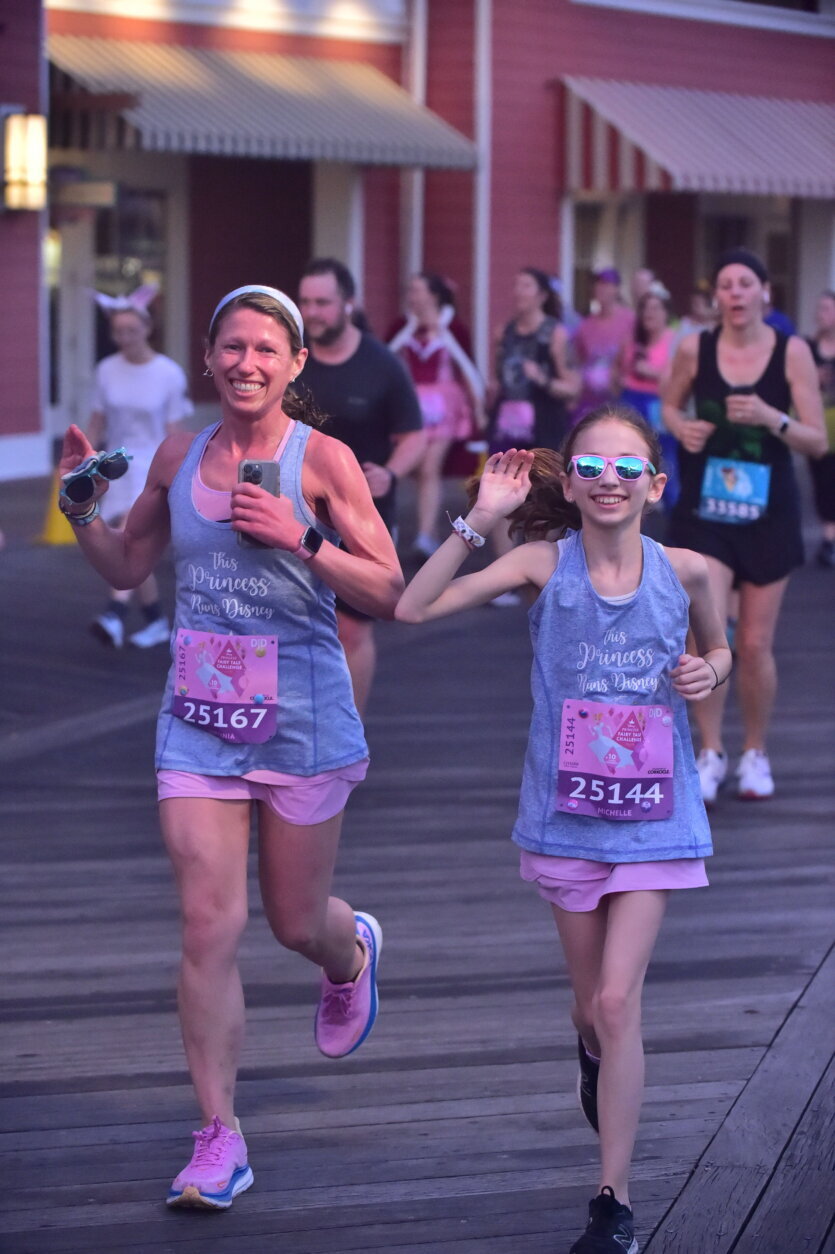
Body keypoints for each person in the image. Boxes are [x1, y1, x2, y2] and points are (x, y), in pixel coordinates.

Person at [56, 284, 403, 1209]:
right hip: (198, 721)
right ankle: (219, 1137)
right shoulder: (178, 454)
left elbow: (389, 589)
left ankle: (348, 951)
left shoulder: (322, 459)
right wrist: (82, 508)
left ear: (294, 365)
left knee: (295, 923)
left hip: (302, 722)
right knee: (208, 923)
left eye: (266, 349)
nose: (247, 362)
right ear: (208, 359)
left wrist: (303, 536)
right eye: (232, 347)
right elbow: (128, 564)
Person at [396, 404, 731, 1254]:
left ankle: (611, 1201)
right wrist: (480, 519)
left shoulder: (687, 570)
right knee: (591, 1011)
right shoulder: (541, 564)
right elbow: (412, 608)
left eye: (627, 467)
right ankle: (590, 1052)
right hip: (566, 821)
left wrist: (708, 670)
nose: (608, 480)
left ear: (656, 484)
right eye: (589, 467)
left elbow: (720, 649)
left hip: (655, 817)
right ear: (571, 485)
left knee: (618, 1002)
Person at [662, 248, 826, 803]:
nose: (734, 292)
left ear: (764, 293)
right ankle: (710, 751)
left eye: (744, 283)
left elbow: (816, 440)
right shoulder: (695, 347)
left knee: (754, 644)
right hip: (706, 511)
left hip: (769, 511)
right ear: (717, 298)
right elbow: (668, 405)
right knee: (709, 637)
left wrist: (770, 417)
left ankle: (755, 751)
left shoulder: (791, 351)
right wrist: (681, 428)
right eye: (725, 285)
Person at [297, 258, 426, 714]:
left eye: (323, 302)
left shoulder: (382, 364)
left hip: (361, 514)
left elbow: (414, 435)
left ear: (348, 304)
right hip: (294, 511)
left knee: (350, 629)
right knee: (292, 624)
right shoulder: (291, 359)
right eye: (306, 302)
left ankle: (348, 733)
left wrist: (390, 472)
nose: (312, 312)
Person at [87, 289, 193, 648]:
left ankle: (114, 614)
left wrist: (182, 475)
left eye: (131, 330)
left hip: (153, 464)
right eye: (118, 331)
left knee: (126, 533)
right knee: (130, 544)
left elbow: (175, 430)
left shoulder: (168, 374)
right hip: (116, 464)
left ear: (147, 328)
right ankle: (155, 620)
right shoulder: (106, 370)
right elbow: (97, 421)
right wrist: (82, 458)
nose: (125, 338)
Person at [488, 267, 579, 595]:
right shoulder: (504, 332)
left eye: (526, 286)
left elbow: (572, 386)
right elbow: (496, 377)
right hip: (507, 424)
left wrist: (541, 378)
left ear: (541, 294)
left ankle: (541, 573)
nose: (519, 291)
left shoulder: (554, 334)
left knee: (542, 495)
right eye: (517, 285)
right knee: (499, 490)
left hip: (544, 423)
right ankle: (503, 578)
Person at [388, 273, 485, 559]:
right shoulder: (401, 326)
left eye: (418, 290)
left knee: (430, 467)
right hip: (411, 404)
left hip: (444, 405)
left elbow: (467, 367)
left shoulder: (453, 327)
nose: (412, 295)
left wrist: (479, 407)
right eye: (411, 290)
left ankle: (425, 534)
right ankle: (402, 529)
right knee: (410, 466)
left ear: (434, 295)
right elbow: (386, 359)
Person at [619, 288, 679, 508]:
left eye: (655, 308)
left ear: (666, 313)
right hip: (630, 402)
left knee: (665, 461)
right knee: (629, 460)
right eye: (645, 308)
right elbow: (618, 370)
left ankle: (672, 515)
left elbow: (677, 378)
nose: (649, 313)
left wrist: (651, 372)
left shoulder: (674, 341)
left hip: (659, 406)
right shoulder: (632, 340)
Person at [573, 269, 635, 423]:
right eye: (598, 284)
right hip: (591, 402)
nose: (601, 289)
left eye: (606, 284)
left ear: (616, 289)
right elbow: (579, 362)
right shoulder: (585, 326)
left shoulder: (631, 320)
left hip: (622, 400)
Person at [806, 290, 835, 567]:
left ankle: (830, 539)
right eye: (819, 309)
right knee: (823, 481)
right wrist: (813, 377)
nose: (821, 314)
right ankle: (828, 538)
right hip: (818, 425)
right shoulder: (808, 348)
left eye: (827, 309)